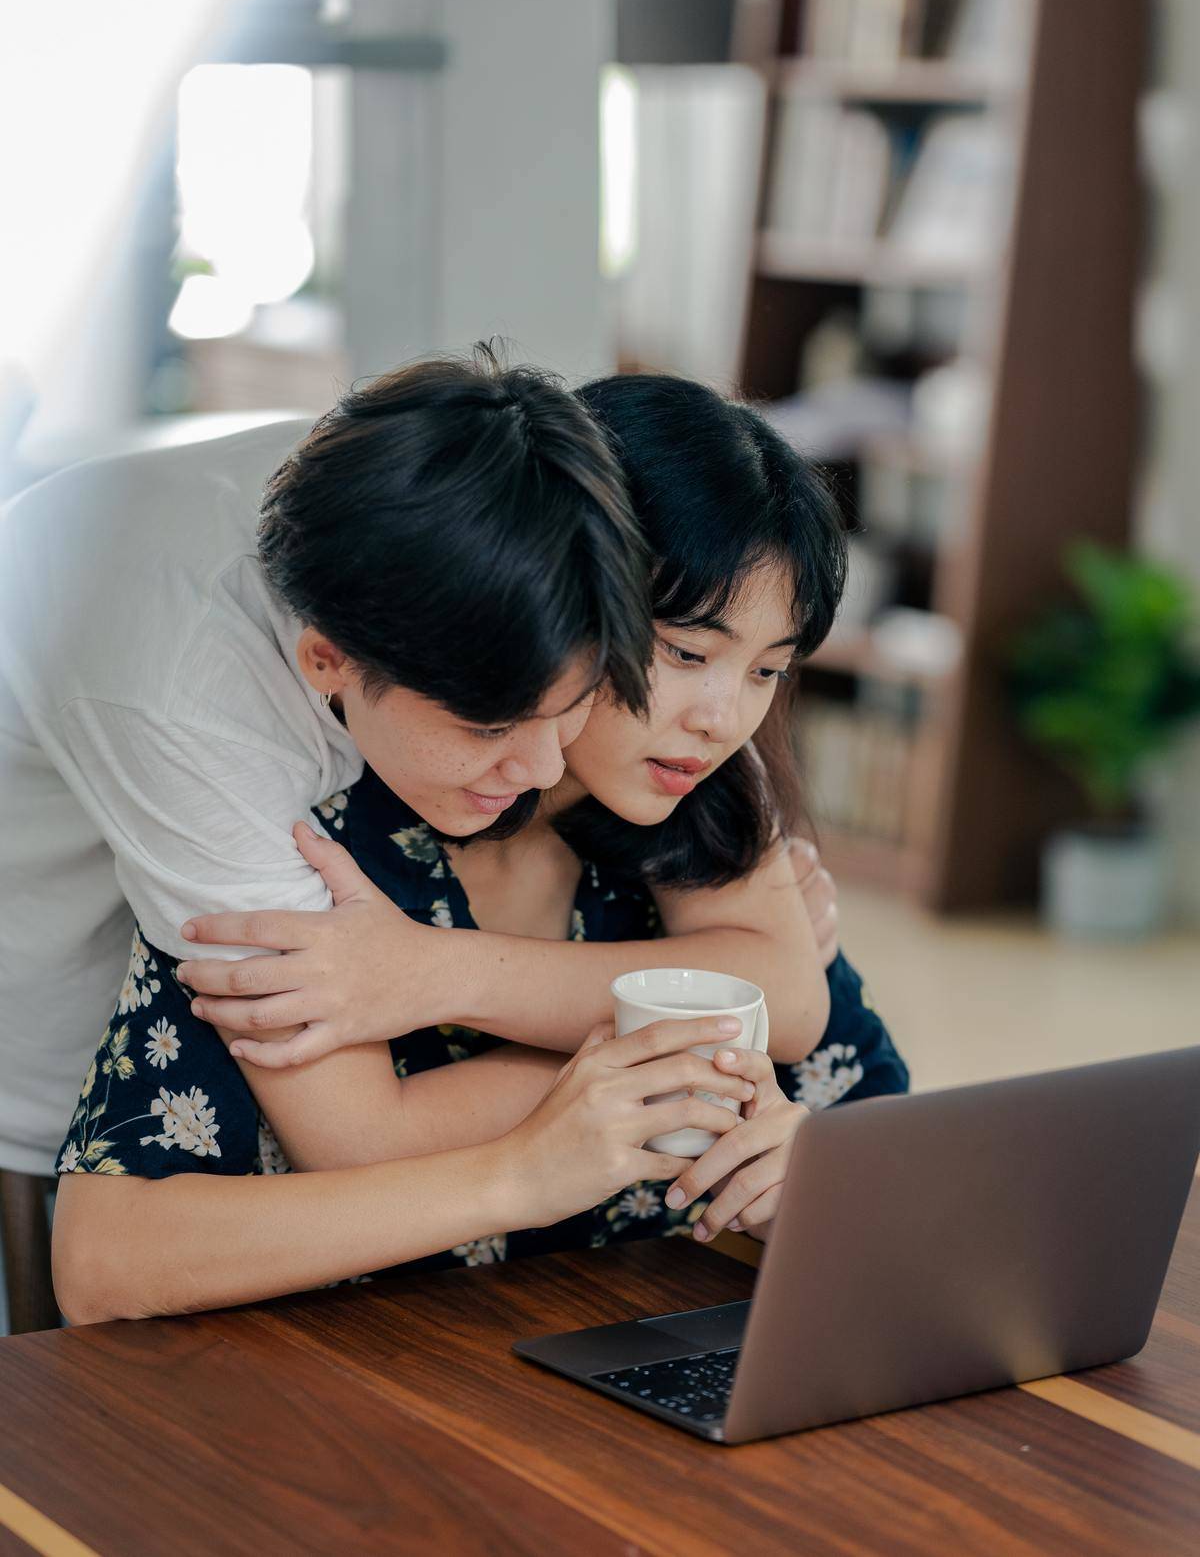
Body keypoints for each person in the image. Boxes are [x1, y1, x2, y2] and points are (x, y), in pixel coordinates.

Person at [52, 377, 907, 1321]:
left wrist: (794, 1186)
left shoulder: (690, 830)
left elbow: (886, 1156)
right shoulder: (309, 849)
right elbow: (109, 1256)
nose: (721, 723)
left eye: (769, 672)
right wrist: (566, 1137)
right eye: (684, 653)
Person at [0, 350, 657, 1180]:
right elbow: (354, 1138)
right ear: (327, 661)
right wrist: (657, 1062)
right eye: (491, 727)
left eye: (571, 711)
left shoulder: (445, 493)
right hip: (56, 1088)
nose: (539, 767)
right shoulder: (183, 691)